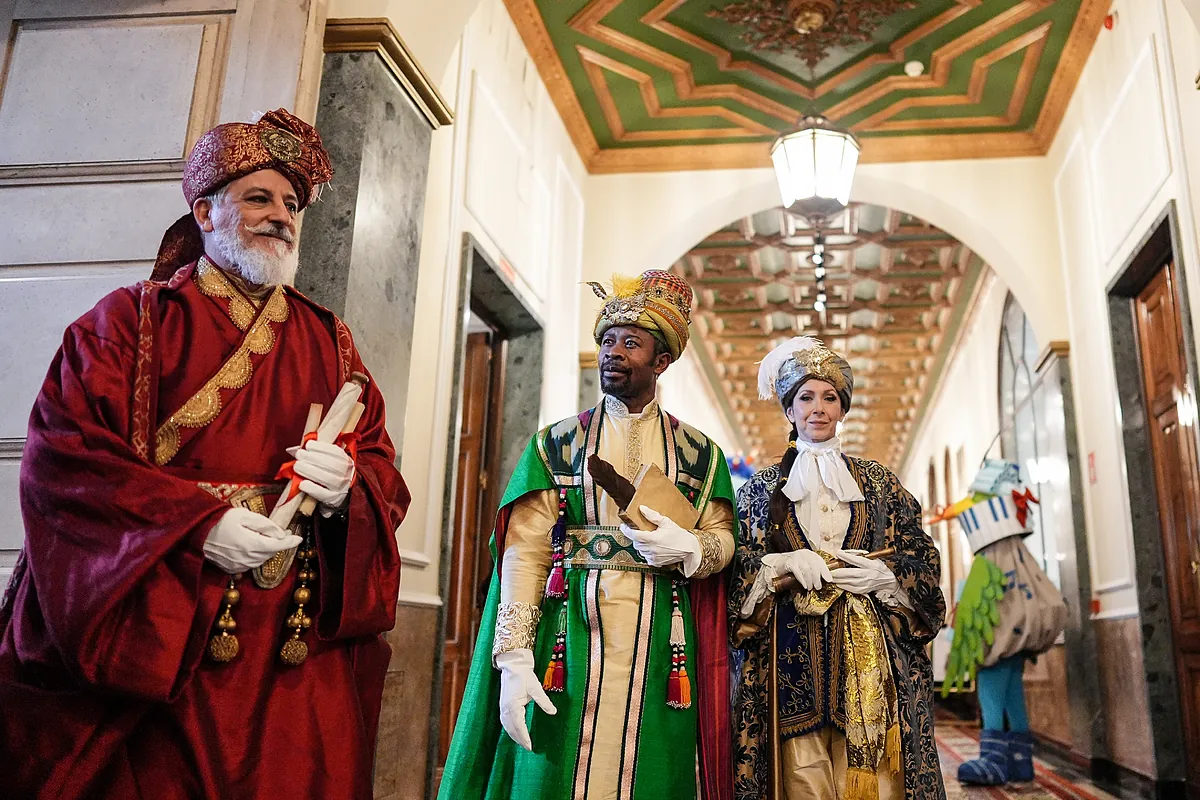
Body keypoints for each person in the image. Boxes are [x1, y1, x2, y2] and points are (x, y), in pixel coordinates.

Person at [0, 109, 410, 799]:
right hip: (164, 630)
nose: (280, 215)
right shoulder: (126, 322)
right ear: (204, 211)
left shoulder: (330, 337)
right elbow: (66, 462)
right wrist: (198, 526)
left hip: (288, 644)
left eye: (290, 203)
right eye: (258, 198)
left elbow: (380, 467)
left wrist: (350, 486)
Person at [440, 270, 736, 800]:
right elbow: (525, 551)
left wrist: (695, 550)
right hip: (568, 637)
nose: (612, 352)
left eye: (630, 343)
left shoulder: (700, 453)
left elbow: (722, 536)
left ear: (662, 361)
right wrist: (512, 655)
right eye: (606, 341)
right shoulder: (554, 444)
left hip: (661, 642)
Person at [729, 337, 946, 800]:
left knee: (873, 783)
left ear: (842, 408)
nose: (818, 408)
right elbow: (735, 569)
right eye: (806, 397)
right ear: (789, 410)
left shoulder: (881, 484)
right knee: (801, 780)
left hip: (871, 663)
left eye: (830, 397)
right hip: (788, 661)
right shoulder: (760, 489)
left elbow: (924, 561)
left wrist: (886, 580)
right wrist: (776, 565)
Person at [939, 460, 1067, 786]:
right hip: (1020, 641)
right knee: (1014, 696)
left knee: (992, 694)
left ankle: (993, 760)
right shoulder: (1024, 563)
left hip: (995, 643)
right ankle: (1021, 763)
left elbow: (974, 616)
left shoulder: (986, 567)